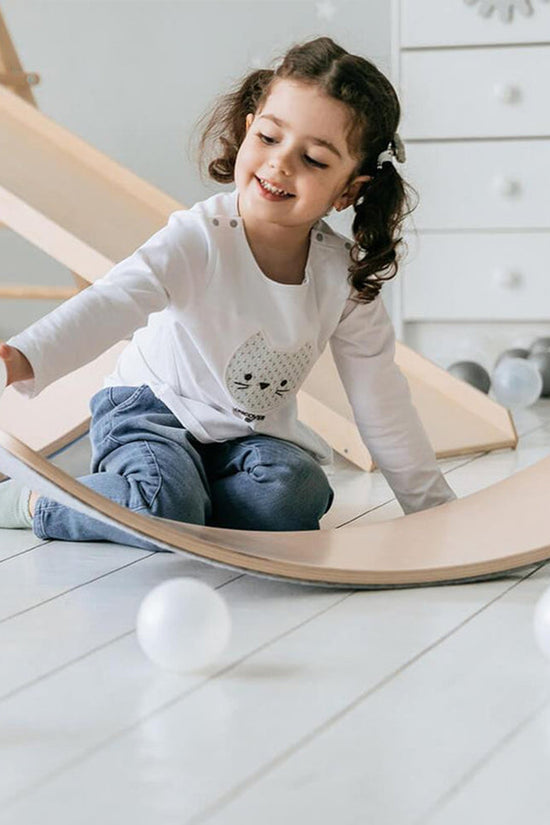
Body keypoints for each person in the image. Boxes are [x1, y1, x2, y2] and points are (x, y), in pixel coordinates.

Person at [0, 36, 456, 549]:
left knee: (296, 495)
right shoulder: (199, 239)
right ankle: (30, 501)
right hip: (151, 413)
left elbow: (381, 401)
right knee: (161, 501)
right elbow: (111, 302)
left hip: (246, 439)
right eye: (268, 137)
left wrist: (434, 514)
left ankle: (185, 507)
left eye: (314, 159)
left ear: (349, 190)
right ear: (247, 129)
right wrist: (21, 356)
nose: (281, 164)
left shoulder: (342, 277)